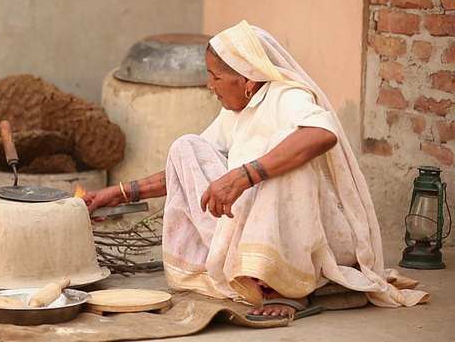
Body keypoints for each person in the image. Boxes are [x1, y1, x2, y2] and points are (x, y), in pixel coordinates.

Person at [82, 20, 430, 322]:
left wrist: (245, 174)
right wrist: (118, 193)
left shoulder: (287, 96)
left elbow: (323, 134)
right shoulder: (236, 111)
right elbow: (188, 169)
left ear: (247, 80)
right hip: (260, 229)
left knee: (283, 151)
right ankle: (240, 269)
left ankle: (289, 287)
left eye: (216, 77)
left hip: (315, 237)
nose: (210, 86)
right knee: (186, 146)